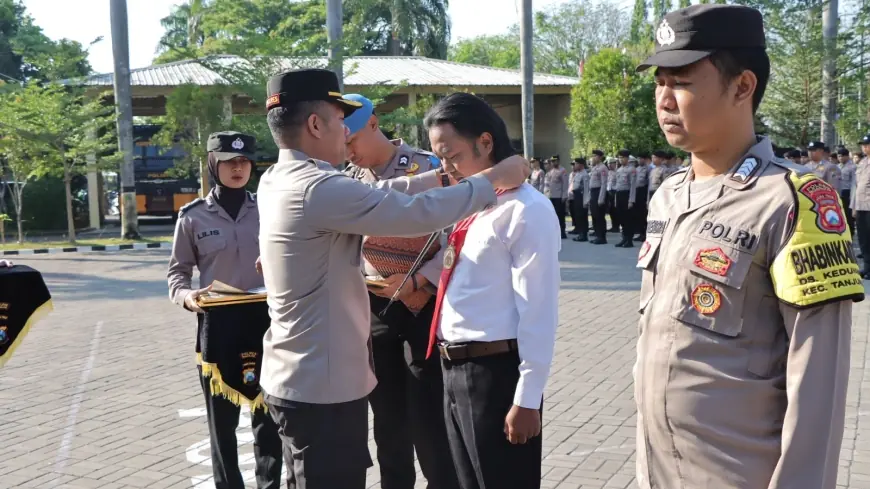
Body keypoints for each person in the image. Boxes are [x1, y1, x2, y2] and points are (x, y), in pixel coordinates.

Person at [255, 68, 530, 489]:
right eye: (338, 120)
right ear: (315, 124)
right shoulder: (317, 187)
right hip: (321, 386)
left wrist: (440, 176)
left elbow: (383, 196)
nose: (344, 135)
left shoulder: (279, 178)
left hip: (296, 376)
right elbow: (410, 215)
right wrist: (492, 179)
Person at [635, 5, 862, 489]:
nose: (664, 99)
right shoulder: (668, 194)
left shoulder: (795, 201)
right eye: (660, 81)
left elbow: (819, 379)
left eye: (683, 81)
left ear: (742, 86)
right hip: (657, 468)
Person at [422, 93, 560, 489]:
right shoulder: (474, 203)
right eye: (440, 159)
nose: (447, 169)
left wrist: (528, 397)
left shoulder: (525, 210)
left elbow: (540, 309)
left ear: (486, 142)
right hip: (453, 368)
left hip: (495, 374)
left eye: (453, 156)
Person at [341, 93, 459, 489]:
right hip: (376, 308)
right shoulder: (350, 182)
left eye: (352, 140)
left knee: (428, 418)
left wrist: (421, 280)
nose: (348, 150)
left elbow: (456, 238)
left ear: (373, 124)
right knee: (388, 421)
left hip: (421, 306)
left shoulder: (428, 167)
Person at [167, 131, 285, 489]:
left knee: (268, 418)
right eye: (229, 161)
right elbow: (177, 273)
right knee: (221, 423)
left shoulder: (269, 210)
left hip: (266, 322)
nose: (238, 168)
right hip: (218, 325)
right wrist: (188, 297)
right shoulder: (192, 217)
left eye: (244, 161)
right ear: (213, 165)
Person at [852, 134, 870, 277]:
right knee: (863, 239)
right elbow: (856, 186)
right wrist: (854, 207)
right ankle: (867, 267)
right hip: (861, 206)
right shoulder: (862, 162)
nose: (864, 147)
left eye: (867, 144)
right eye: (863, 145)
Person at [613, 150, 637, 248]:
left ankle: (629, 240)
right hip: (619, 195)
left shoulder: (632, 169)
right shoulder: (618, 170)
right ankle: (624, 238)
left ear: (627, 158)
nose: (620, 159)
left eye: (622, 157)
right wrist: (615, 199)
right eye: (619, 158)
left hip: (627, 195)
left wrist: (631, 200)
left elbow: (633, 186)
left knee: (628, 219)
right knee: (621, 218)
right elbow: (617, 186)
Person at [586, 150, 609, 244]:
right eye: (592, 156)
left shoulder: (603, 168)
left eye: (594, 156)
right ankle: (597, 235)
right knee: (594, 215)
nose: (593, 158)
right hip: (593, 192)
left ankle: (602, 237)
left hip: (599, 192)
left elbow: (604, 184)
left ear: (599, 157)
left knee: (600, 216)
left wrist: (601, 198)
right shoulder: (594, 168)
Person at [544, 155, 569, 239]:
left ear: (558, 161)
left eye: (554, 161)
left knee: (560, 215)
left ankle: (562, 232)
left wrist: (564, 195)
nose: (553, 162)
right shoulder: (551, 172)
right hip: (551, 196)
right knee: (553, 215)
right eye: (552, 161)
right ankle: (555, 232)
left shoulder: (562, 171)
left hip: (559, 196)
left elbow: (565, 184)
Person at [569, 158, 589, 241]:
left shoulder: (584, 174)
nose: (575, 165)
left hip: (581, 196)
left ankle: (583, 235)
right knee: (578, 216)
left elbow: (586, 189)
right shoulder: (577, 173)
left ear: (581, 165)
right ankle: (580, 233)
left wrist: (585, 201)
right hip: (576, 196)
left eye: (576, 164)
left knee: (582, 216)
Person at [838, 147, 857, 236]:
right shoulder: (837, 167)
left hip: (848, 193)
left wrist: (852, 196)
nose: (840, 158)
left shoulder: (853, 167)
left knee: (848, 216)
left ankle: (851, 234)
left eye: (842, 156)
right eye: (839, 156)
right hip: (838, 193)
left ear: (847, 156)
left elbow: (854, 183)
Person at [633, 152, 651, 242]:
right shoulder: (636, 169)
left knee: (644, 213)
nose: (639, 160)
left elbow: (649, 182)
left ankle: (645, 233)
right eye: (638, 158)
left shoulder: (648, 169)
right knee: (638, 214)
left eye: (641, 158)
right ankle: (640, 233)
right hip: (637, 191)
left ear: (644, 159)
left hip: (644, 191)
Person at [606, 158, 620, 233]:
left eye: (610, 163)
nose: (609, 165)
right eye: (608, 163)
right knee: (611, 210)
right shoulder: (608, 172)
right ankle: (613, 225)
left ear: (614, 164)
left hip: (615, 191)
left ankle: (616, 226)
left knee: (615, 210)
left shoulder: (617, 172)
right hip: (609, 191)